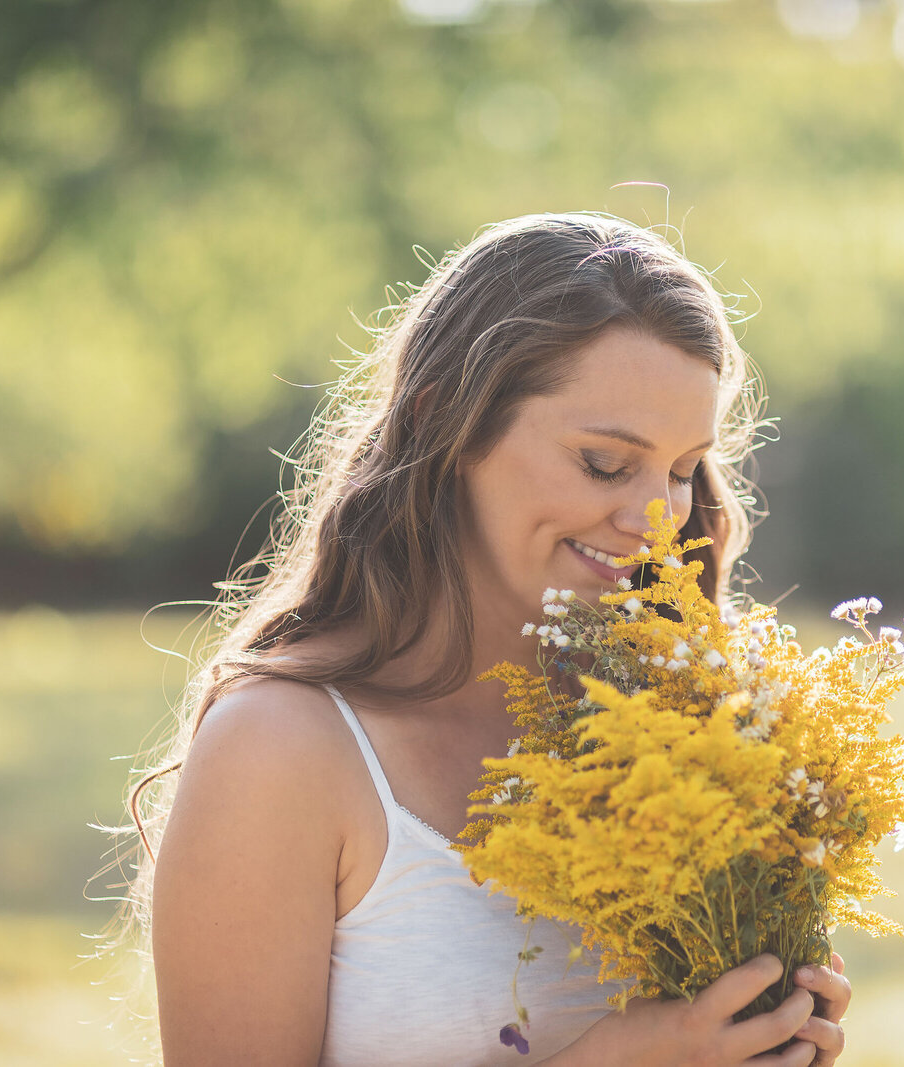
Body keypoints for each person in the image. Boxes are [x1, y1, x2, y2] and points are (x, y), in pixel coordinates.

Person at [124, 212, 852, 1065]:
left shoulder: (687, 731)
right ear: (450, 424)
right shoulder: (280, 750)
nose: (657, 519)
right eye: (607, 464)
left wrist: (770, 1029)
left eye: (685, 469)